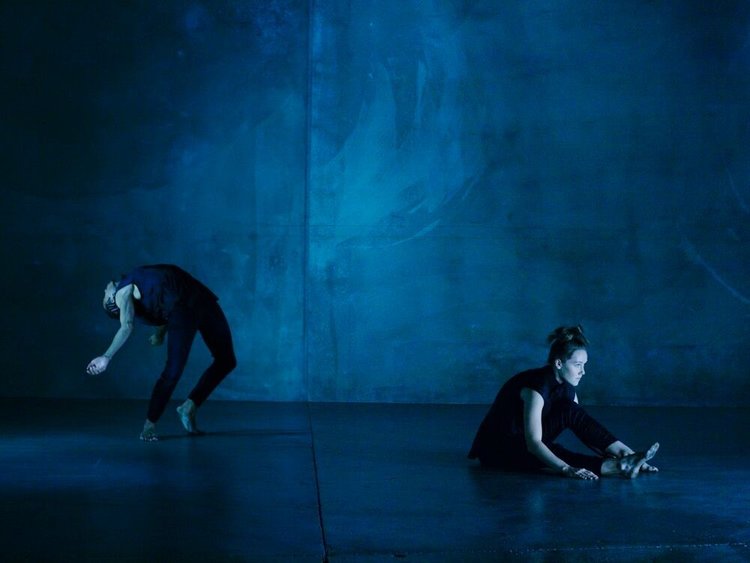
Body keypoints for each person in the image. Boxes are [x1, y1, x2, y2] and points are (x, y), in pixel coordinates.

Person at [468, 326, 659, 479]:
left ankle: (628, 457)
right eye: (577, 365)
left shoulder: (567, 388)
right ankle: (617, 467)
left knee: (571, 410)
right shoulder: (535, 388)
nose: (583, 372)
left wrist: (632, 456)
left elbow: (585, 429)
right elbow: (534, 444)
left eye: (584, 365)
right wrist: (566, 469)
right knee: (555, 452)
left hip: (524, 441)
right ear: (559, 364)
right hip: (498, 450)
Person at [86, 264, 237, 442]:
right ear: (112, 303)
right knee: (173, 371)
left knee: (227, 360)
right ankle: (149, 425)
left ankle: (189, 407)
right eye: (104, 295)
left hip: (203, 299)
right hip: (184, 310)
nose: (105, 289)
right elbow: (126, 326)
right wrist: (106, 356)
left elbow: (164, 300)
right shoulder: (121, 293)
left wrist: (160, 334)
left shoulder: (139, 284)